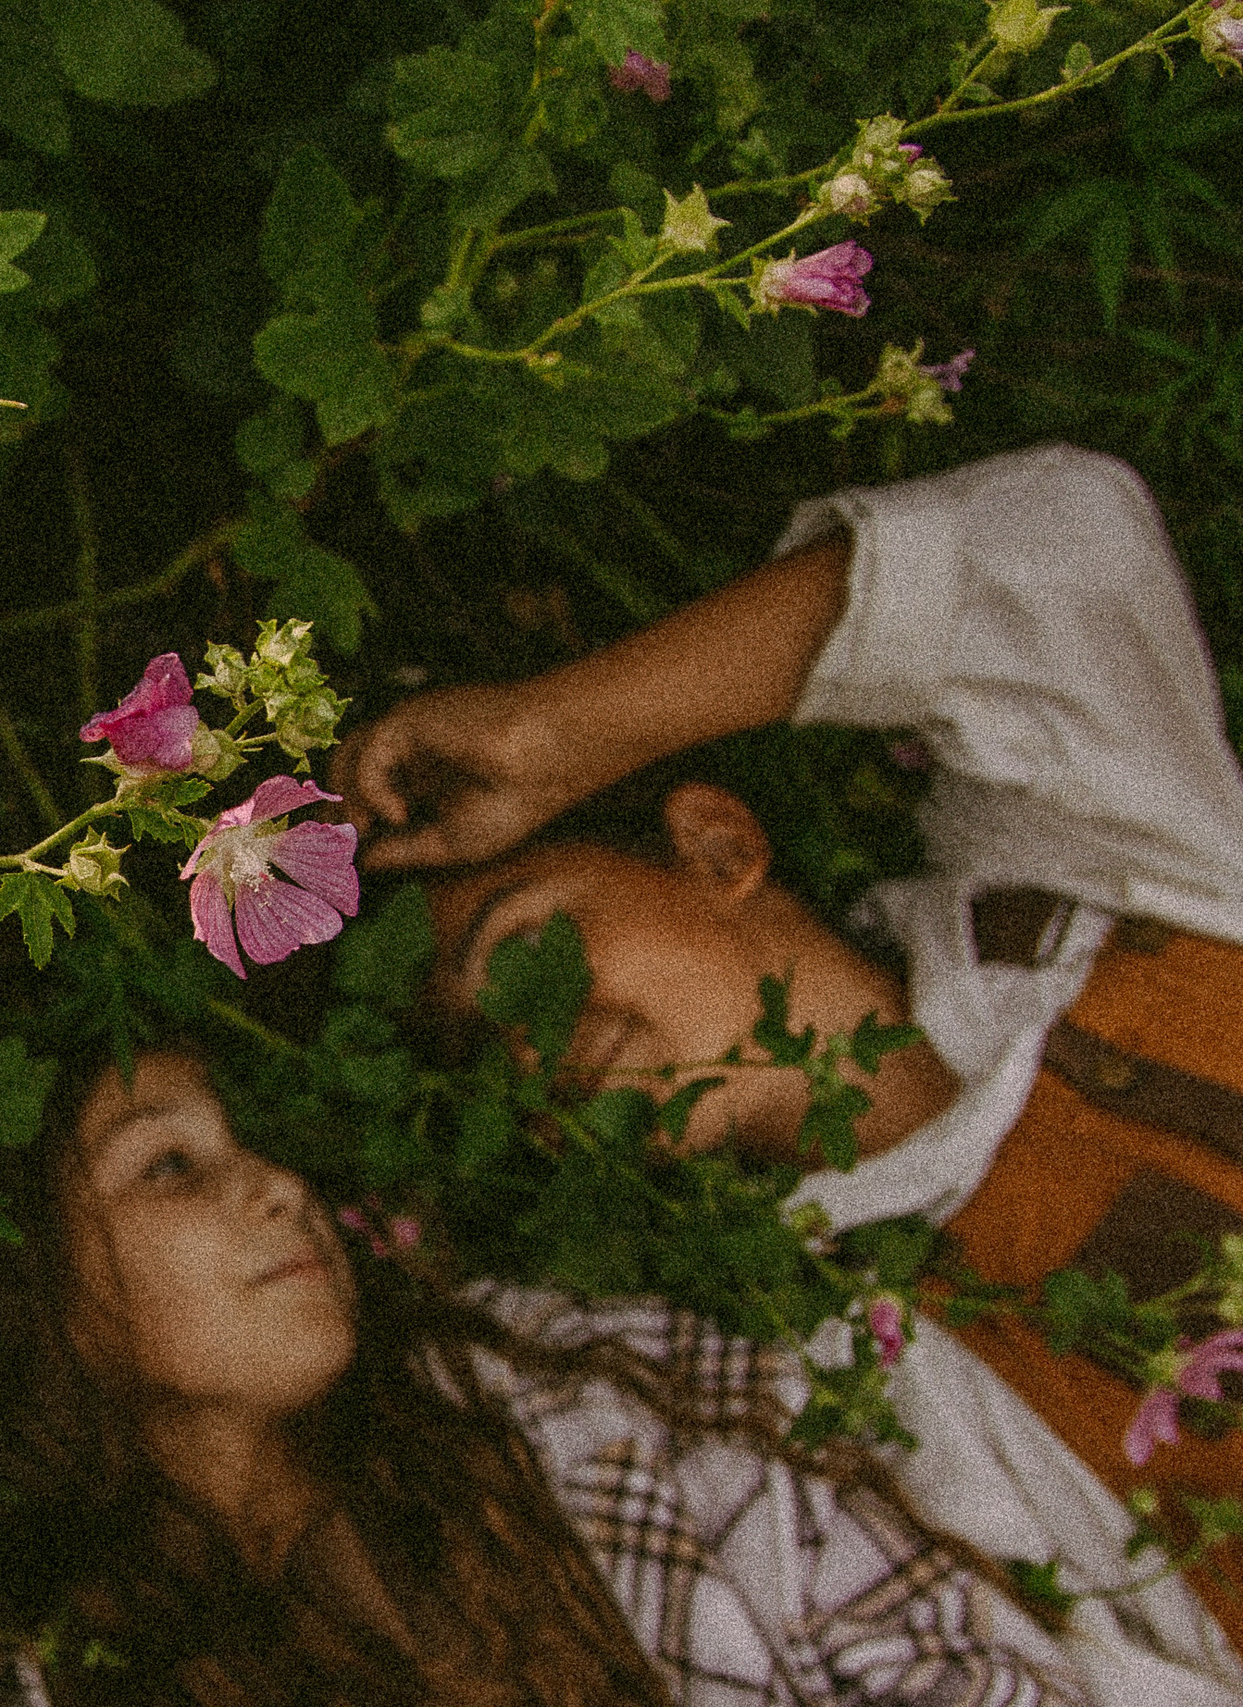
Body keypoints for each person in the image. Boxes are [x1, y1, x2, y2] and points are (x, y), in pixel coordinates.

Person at [328, 443, 1243, 1702]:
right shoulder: (842, 1375)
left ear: (716, 846)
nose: (531, 1048)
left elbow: (1057, 543)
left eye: (529, 945)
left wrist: (560, 733)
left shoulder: (1088, 896)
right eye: (483, 1057)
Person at [0, 1047, 1091, 1706]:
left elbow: (961, 1666)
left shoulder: (576, 1387)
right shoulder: (75, 1681)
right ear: (36, 1295)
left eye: (247, 1143)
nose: (277, 1186)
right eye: (169, 1166)